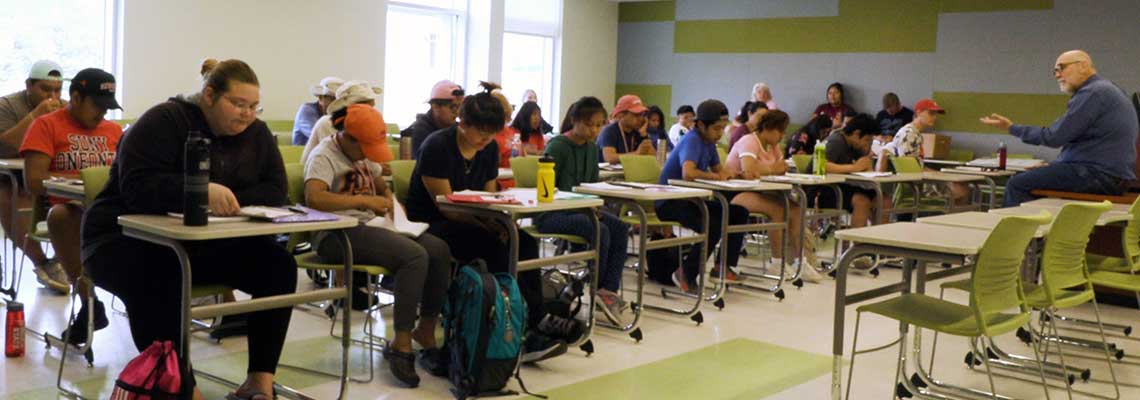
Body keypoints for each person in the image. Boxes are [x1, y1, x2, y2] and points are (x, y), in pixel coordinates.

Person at [82, 59, 294, 400]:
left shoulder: (257, 134)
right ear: (209, 95)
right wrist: (199, 191)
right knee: (163, 272)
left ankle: (259, 382)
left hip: (199, 243)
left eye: (254, 106)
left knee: (279, 266)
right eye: (238, 104)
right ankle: (183, 387)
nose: (247, 114)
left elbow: (276, 191)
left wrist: (224, 197)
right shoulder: (164, 121)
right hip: (119, 241)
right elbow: (136, 188)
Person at [404, 86, 582, 364]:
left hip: (471, 218)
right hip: (430, 222)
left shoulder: (485, 150)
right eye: (480, 132)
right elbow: (445, 206)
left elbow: (487, 197)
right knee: (495, 247)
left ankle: (534, 319)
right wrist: (489, 226)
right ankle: (517, 329)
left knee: (524, 241)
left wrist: (495, 222)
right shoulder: (437, 146)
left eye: (491, 133)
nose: (485, 139)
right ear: (463, 123)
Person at [303, 104, 450, 387]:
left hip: (371, 226)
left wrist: (390, 201)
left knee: (439, 249)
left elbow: (381, 186)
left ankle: (426, 330)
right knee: (414, 256)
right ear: (347, 137)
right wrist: (364, 201)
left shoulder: (363, 158)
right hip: (336, 234)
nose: (369, 156)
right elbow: (315, 199)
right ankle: (401, 341)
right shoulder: (324, 156)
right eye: (365, 148)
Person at [20, 67, 122, 343]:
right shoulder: (46, 125)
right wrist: (80, 184)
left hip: (110, 210)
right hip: (71, 211)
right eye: (96, 106)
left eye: (107, 107)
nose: (102, 113)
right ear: (75, 97)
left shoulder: (114, 131)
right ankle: (89, 303)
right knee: (60, 216)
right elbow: (34, 182)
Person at [981, 50, 1138, 206]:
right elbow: (1085, 145)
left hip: (1097, 175)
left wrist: (1012, 128)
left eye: (1061, 68)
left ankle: (1019, 231)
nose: (1057, 75)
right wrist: (1057, 166)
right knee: (1033, 178)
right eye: (1054, 71)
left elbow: (1054, 137)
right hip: (1112, 176)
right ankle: (1042, 228)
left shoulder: (1093, 93)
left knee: (1017, 184)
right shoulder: (1109, 90)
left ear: (1083, 66)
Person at [535, 96, 631, 318]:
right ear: (574, 120)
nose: (594, 130)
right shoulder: (557, 146)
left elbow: (590, 185)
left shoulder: (590, 148)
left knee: (619, 227)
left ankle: (608, 290)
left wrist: (593, 204)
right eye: (589, 125)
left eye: (598, 125)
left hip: (583, 210)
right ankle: (596, 288)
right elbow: (549, 191)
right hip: (552, 214)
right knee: (601, 229)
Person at [655, 99, 750, 291]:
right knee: (712, 224)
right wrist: (716, 176)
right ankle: (686, 274)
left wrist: (737, 175)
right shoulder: (693, 140)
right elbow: (688, 173)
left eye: (723, 128)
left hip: (690, 200)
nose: (720, 133)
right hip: (669, 202)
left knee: (738, 212)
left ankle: (722, 267)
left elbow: (720, 172)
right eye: (716, 129)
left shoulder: (709, 143)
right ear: (700, 125)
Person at [724, 110, 823, 283]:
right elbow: (749, 168)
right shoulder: (749, 141)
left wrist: (769, 169)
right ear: (768, 128)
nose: (782, 135)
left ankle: (801, 261)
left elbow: (781, 166)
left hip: (758, 191)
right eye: (780, 131)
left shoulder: (773, 146)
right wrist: (771, 169)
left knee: (795, 209)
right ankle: (776, 262)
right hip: (734, 193)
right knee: (777, 210)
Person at [0, 60, 66, 293]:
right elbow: (5, 147)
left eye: (57, 90)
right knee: (11, 197)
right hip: (10, 179)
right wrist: (36, 117)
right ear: (29, 85)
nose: (52, 96)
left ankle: (65, 262)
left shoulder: (66, 108)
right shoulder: (7, 106)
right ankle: (42, 262)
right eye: (45, 89)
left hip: (49, 176)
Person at [804, 114, 891, 228]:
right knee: (861, 201)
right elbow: (821, 165)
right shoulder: (836, 141)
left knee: (884, 200)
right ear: (856, 133)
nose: (868, 143)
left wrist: (866, 151)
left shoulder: (854, 145)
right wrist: (854, 168)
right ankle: (859, 244)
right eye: (867, 139)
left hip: (841, 186)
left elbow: (864, 165)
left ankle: (879, 240)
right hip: (819, 189)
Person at [890, 98, 970, 205]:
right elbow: (913, 170)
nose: (934, 117)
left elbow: (917, 166)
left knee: (961, 186)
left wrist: (940, 174)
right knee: (961, 190)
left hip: (917, 181)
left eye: (935, 114)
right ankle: (947, 220)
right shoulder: (910, 134)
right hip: (915, 185)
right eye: (931, 113)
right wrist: (940, 175)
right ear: (918, 113)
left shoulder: (913, 132)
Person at [299, 80, 381, 165]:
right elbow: (339, 159)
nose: (372, 112)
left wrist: (378, 167)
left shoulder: (360, 126)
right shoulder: (327, 122)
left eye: (372, 108)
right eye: (368, 108)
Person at [402, 80, 464, 158]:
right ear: (435, 106)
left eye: (459, 107)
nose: (457, 112)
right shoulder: (421, 130)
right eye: (453, 107)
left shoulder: (457, 128)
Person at [597, 94, 654, 164]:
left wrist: (644, 134)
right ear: (621, 115)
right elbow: (609, 158)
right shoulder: (609, 131)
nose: (640, 118)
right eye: (636, 115)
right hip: (608, 174)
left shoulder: (638, 131)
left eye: (642, 114)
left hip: (628, 173)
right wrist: (637, 153)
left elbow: (653, 157)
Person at [292, 76, 342, 145]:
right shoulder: (307, 110)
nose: (337, 104)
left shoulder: (336, 114)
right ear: (320, 98)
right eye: (333, 99)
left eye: (340, 100)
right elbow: (323, 137)